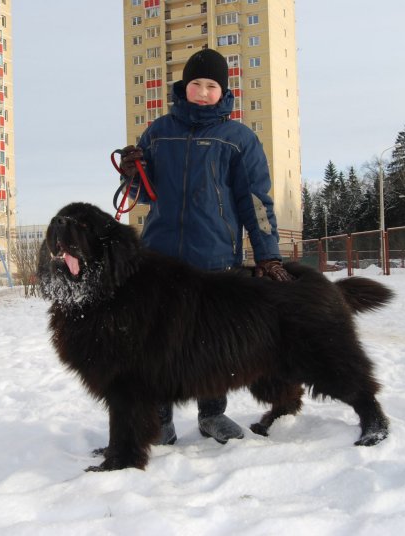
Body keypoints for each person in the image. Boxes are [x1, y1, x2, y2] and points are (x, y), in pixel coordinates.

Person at [118, 48, 292, 446]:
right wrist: (132, 173)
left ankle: (212, 416)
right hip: (159, 259)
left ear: (223, 90)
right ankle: (160, 421)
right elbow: (143, 194)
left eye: (211, 85)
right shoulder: (158, 132)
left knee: (212, 345)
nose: (202, 92)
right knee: (155, 344)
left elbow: (256, 201)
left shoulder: (238, 139)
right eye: (195, 84)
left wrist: (267, 253)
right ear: (184, 86)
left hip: (215, 258)